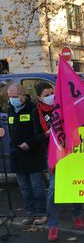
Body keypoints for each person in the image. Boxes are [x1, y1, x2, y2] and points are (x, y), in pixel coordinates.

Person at [33, 82, 84, 241]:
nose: (50, 97)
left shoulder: (63, 106)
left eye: (52, 93)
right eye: (46, 95)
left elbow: (79, 122)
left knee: (75, 184)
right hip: (53, 154)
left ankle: (76, 214)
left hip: (71, 151)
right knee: (53, 190)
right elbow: (36, 136)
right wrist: (47, 134)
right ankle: (53, 225)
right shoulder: (37, 113)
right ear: (39, 98)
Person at [6, 84, 47, 226]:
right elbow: (12, 132)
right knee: (24, 188)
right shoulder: (10, 109)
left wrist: (29, 144)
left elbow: (39, 133)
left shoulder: (33, 109)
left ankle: (41, 213)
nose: (12, 100)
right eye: (10, 97)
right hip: (17, 155)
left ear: (23, 95)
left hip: (33, 154)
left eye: (15, 97)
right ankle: (30, 213)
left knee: (37, 187)